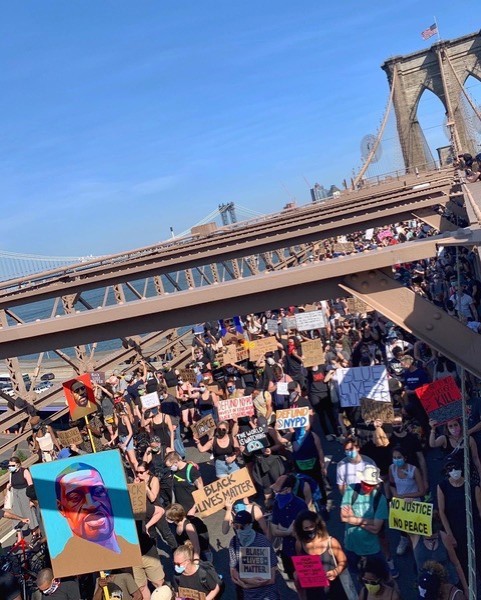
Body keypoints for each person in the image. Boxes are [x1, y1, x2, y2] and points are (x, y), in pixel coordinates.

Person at [53, 461, 140, 575]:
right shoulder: (66, 565)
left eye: (98, 491)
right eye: (75, 497)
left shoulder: (133, 550)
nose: (91, 504)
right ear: (61, 509)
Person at [340, 465, 389, 577]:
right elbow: (343, 517)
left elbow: (376, 529)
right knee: (357, 576)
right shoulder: (352, 489)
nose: (367, 486)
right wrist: (369, 521)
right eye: (365, 483)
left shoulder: (380, 499)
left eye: (370, 485)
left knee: (382, 576)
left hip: (371, 548)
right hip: (351, 545)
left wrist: (353, 519)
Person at [293, 509, 353, 600]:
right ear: (301, 529)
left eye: (311, 526)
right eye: (306, 528)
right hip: (313, 591)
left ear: (317, 525)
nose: (309, 530)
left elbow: (343, 561)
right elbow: (300, 564)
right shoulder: (300, 544)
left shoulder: (331, 542)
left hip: (334, 589)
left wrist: (335, 572)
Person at [409, 513, 467, 596]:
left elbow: (456, 563)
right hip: (427, 586)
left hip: (447, 585)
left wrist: (466, 588)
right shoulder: (415, 536)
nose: (433, 535)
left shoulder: (443, 537)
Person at [229, 510, 279, 600]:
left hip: (267, 594)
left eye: (242, 527)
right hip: (247, 595)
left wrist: (253, 584)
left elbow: (272, 577)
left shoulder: (263, 542)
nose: (238, 530)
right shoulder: (234, 542)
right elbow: (233, 570)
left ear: (250, 525)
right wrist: (245, 582)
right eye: (236, 526)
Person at [270, 474, 308, 580]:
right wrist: (287, 532)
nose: (276, 494)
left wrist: (282, 529)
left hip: (301, 552)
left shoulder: (300, 505)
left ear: (288, 490)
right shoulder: (277, 504)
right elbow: (273, 531)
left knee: (305, 579)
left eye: (279, 491)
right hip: (287, 551)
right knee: (294, 579)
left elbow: (301, 532)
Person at [5, 456, 39, 535]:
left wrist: (31, 500)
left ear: (17, 464)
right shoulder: (11, 473)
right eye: (9, 466)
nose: (10, 467)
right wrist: (9, 485)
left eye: (12, 465)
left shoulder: (24, 471)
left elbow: (30, 485)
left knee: (28, 512)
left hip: (24, 492)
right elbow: (11, 482)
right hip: (15, 493)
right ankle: (20, 534)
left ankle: (34, 532)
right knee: (17, 513)